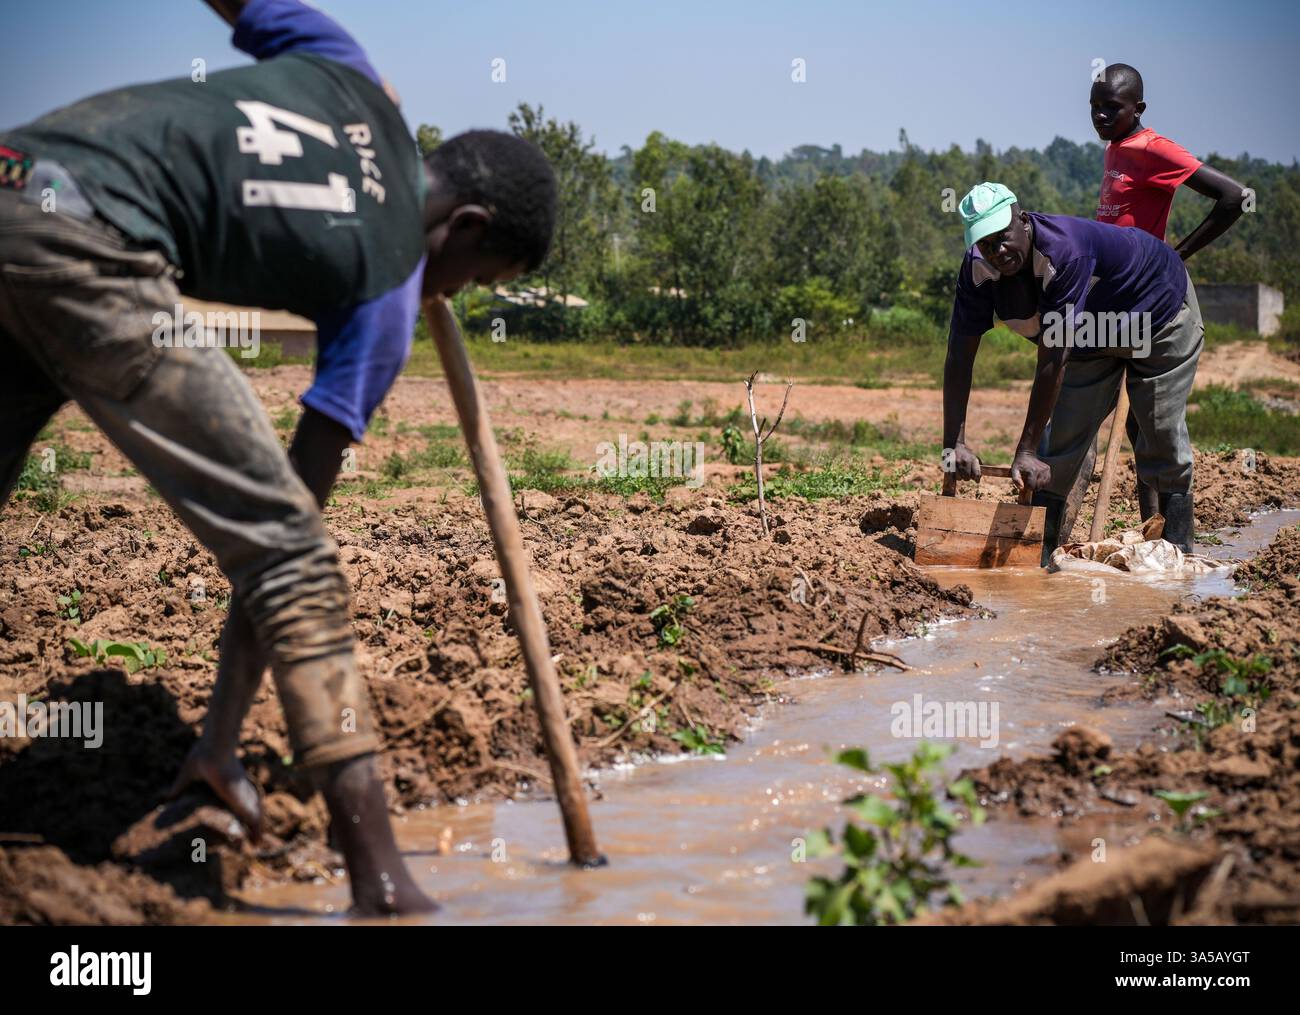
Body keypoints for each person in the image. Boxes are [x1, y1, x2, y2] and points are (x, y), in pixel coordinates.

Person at [0, 0, 556, 914]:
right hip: (88, 243)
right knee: (298, 563)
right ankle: (383, 882)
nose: (449, 297)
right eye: (476, 281)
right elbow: (287, 544)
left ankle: (220, 769)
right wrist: (223, 732)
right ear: (463, 226)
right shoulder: (387, 295)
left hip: (18, 178)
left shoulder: (346, 66)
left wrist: (219, 746)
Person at [943, 183, 1204, 562]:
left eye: (1003, 237)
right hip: (1092, 332)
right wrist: (955, 441)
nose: (997, 251)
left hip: (1158, 312)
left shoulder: (1064, 252)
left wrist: (1026, 450)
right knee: (1064, 436)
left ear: (1022, 218)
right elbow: (959, 356)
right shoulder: (977, 269)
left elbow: (1053, 359)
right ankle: (1040, 553)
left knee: (1159, 429)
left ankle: (1178, 550)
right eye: (985, 243)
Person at [1091, 62, 1247, 519]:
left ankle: (1173, 536)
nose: (1101, 116)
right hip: (1117, 297)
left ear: (1138, 108)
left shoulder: (1154, 149)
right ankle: (1151, 533)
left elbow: (1233, 196)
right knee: (1140, 429)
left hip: (1151, 299)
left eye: (1112, 109)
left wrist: (1176, 255)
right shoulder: (1116, 147)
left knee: (1155, 425)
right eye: (1095, 108)